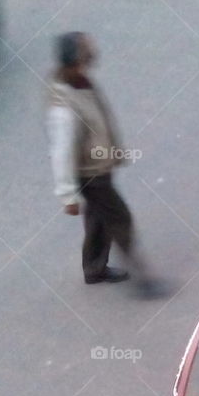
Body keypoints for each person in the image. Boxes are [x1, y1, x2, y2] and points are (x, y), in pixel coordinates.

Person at [47, 32, 161, 293]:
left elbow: (99, 122)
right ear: (75, 61)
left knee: (98, 219)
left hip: (98, 167)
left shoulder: (80, 81)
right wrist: (67, 195)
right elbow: (62, 152)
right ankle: (145, 281)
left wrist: (114, 152)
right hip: (90, 174)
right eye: (87, 52)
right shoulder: (64, 108)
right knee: (120, 219)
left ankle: (94, 269)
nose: (92, 55)